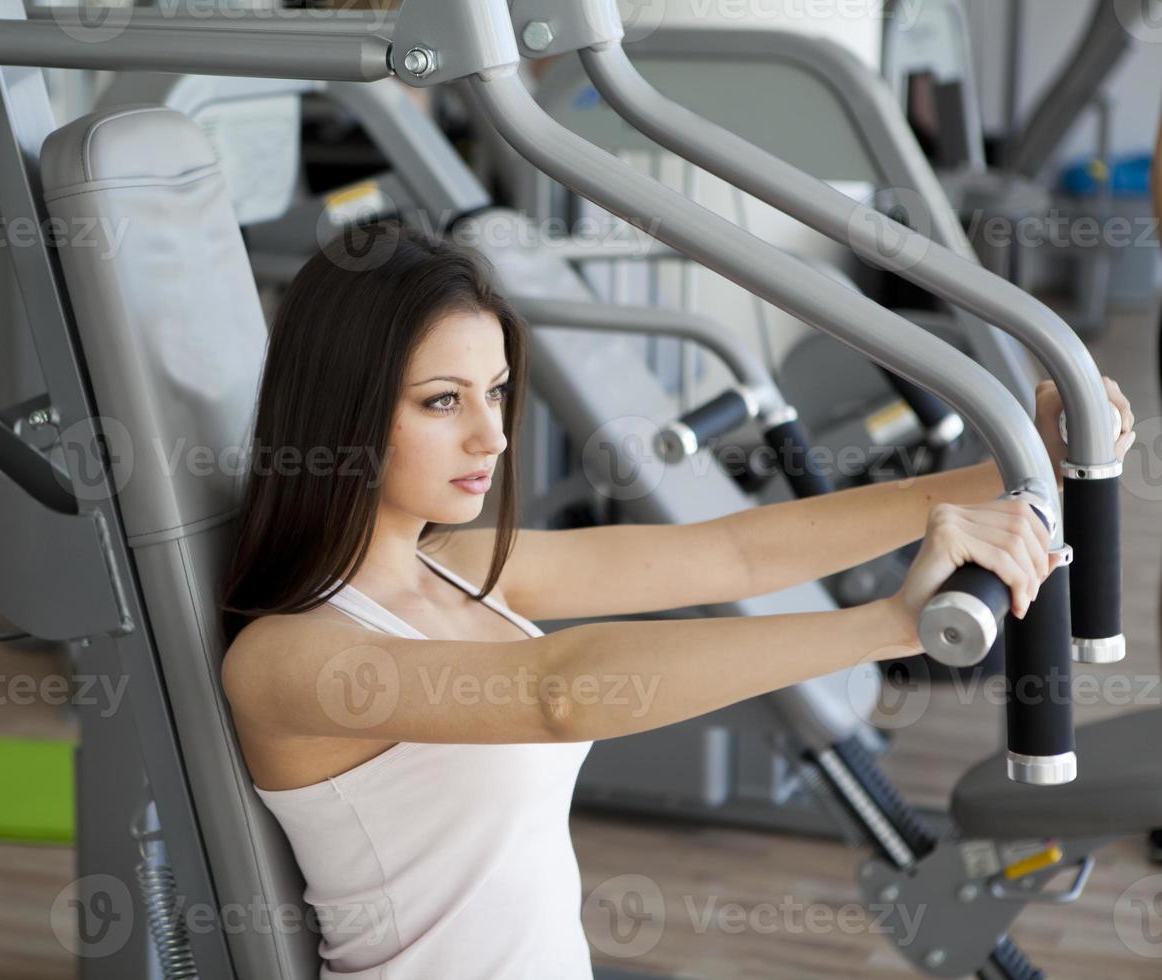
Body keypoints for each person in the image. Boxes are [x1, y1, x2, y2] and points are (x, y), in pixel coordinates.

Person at [218, 220, 1133, 979]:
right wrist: (887, 625)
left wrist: (998, 472)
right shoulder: (291, 660)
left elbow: (726, 554)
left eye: (496, 393)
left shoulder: (457, 567)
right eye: (442, 402)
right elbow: (560, 691)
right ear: (345, 412)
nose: (491, 436)